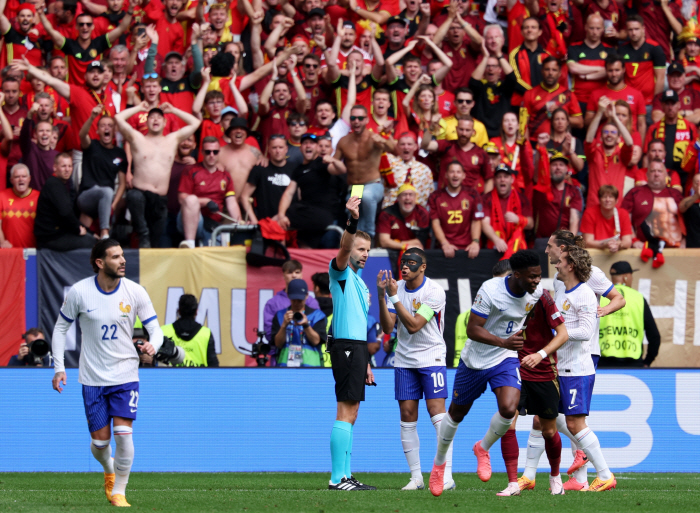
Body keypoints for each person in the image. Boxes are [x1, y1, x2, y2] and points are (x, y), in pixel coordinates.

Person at [51, 239, 165, 507]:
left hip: (126, 374)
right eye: (115, 257)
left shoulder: (135, 291)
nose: (123, 260)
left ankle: (119, 492)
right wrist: (58, 367)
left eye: (123, 255)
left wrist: (153, 344)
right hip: (92, 378)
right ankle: (109, 469)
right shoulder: (79, 292)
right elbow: (59, 330)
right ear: (100, 263)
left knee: (124, 435)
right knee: (100, 445)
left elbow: (156, 330)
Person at [428, 249, 542, 497]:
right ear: (517, 274)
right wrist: (503, 342)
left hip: (505, 359)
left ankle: (483, 447)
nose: (536, 281)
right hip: (475, 360)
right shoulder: (491, 290)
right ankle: (439, 464)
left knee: (509, 408)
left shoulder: (537, 294)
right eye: (532, 276)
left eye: (539, 276)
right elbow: (472, 329)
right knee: (456, 414)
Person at [544, 229, 625, 489]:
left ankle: (597, 470)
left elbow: (619, 299)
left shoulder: (591, 277)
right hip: (561, 350)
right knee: (557, 414)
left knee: (574, 418)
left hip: (584, 351)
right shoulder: (559, 279)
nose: (547, 251)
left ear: (564, 250)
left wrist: (601, 311)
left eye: (550, 247)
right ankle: (580, 477)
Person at [376, 248, 454, 491]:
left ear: (423, 267)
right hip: (404, 361)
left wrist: (395, 298)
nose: (405, 267)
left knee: (437, 413)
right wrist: (382, 297)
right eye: (403, 263)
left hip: (431, 358)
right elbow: (390, 326)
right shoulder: (395, 287)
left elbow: (413, 326)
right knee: (407, 415)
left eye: (412, 263)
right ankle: (416, 477)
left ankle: (445, 474)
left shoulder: (434, 291)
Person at [327, 196, 376, 491]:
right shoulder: (342, 274)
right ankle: (337, 478)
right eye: (361, 248)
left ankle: (345, 475)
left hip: (356, 348)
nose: (365, 254)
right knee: (345, 410)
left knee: (352, 411)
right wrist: (352, 220)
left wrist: (367, 361)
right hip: (345, 346)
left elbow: (358, 322)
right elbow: (343, 248)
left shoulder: (358, 281)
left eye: (368, 250)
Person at [114, 102, 201, 248]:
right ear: (146, 121)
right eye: (151, 117)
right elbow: (118, 118)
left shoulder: (172, 140)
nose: (155, 120)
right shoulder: (137, 138)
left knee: (154, 244)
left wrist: (174, 110)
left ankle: (147, 240)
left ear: (165, 122)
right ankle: (142, 232)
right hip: (140, 196)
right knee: (133, 197)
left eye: (159, 117)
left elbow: (196, 122)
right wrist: (139, 108)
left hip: (160, 199)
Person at [328, 105, 393, 238]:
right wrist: (328, 162)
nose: (356, 121)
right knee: (354, 212)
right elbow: (334, 165)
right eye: (353, 118)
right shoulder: (344, 141)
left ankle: (370, 234)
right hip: (355, 187)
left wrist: (386, 139)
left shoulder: (374, 138)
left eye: (360, 118)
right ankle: (358, 241)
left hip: (373, 184)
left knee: (367, 196)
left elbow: (395, 150)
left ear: (366, 120)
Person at [278, 133, 344, 248]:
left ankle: (279, 257)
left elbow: (341, 170)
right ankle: (282, 257)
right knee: (304, 245)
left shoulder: (322, 163)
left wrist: (334, 161)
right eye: (305, 143)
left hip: (324, 215)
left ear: (317, 148)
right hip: (306, 214)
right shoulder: (298, 170)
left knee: (278, 219)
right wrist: (281, 215)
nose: (308, 146)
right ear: (300, 148)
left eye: (312, 143)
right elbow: (288, 193)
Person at [177, 137, 241, 248]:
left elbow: (231, 202)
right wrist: (205, 202)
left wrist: (239, 222)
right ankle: (189, 244)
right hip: (191, 220)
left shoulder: (225, 175)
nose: (211, 155)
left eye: (215, 152)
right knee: (191, 199)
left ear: (219, 153)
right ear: (202, 152)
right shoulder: (191, 170)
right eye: (208, 152)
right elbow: (182, 198)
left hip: (214, 224)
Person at [622, 160, 684, 267]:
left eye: (660, 171)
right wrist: (633, 240)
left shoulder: (676, 194)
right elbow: (624, 218)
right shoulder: (635, 192)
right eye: (653, 171)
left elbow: (688, 220)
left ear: (665, 175)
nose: (656, 174)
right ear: (647, 175)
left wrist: (684, 242)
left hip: (675, 249)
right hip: (643, 249)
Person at [77, 107, 127, 240]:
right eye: (103, 125)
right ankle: (105, 233)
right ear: (97, 130)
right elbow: (82, 135)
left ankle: (102, 239)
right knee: (106, 191)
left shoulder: (119, 153)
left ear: (114, 130)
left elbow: (122, 183)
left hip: (106, 199)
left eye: (110, 125)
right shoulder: (91, 146)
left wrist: (114, 204)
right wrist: (92, 117)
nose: (106, 128)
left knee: (107, 193)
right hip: (86, 196)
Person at [598, 261, 660, 368]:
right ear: (626, 277)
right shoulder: (638, 298)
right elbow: (654, 336)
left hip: (603, 364)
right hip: (634, 365)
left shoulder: (601, 297)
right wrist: (647, 362)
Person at [34, 153, 97, 251]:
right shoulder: (53, 184)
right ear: (55, 167)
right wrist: (78, 229)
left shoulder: (60, 185)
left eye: (70, 166)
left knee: (91, 238)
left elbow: (69, 215)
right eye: (63, 166)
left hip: (57, 235)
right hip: (50, 239)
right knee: (92, 243)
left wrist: (89, 232)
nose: (67, 169)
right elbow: (66, 212)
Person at [584, 97, 634, 207]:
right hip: (594, 206)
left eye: (613, 132)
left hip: (615, 208)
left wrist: (614, 117)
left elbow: (630, 143)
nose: (609, 134)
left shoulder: (622, 155)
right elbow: (588, 140)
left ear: (618, 138)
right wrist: (600, 113)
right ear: (601, 137)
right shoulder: (593, 153)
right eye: (606, 132)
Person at [421, 117, 493, 193]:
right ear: (456, 129)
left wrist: (485, 201)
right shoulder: (446, 145)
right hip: (444, 199)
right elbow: (425, 145)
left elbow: (489, 179)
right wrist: (431, 129)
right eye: (461, 129)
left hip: (470, 201)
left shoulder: (481, 153)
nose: (464, 133)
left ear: (473, 132)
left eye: (467, 130)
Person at [428, 161, 483, 258]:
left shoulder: (473, 195)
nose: (455, 175)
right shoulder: (435, 197)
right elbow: (435, 223)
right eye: (452, 172)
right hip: (443, 249)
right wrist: (444, 243)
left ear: (463, 175)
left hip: (468, 248)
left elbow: (476, 221)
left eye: (458, 172)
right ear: (446, 175)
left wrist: (475, 241)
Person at [644, 89, 698, 188]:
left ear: (678, 105)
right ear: (662, 106)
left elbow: (696, 153)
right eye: (667, 104)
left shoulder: (690, 127)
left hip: (686, 176)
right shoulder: (654, 129)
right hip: (662, 176)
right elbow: (646, 155)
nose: (670, 107)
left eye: (673, 104)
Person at [521, 57, 583, 142]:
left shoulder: (568, 95)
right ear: (542, 71)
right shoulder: (529, 94)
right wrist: (527, 147)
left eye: (554, 70)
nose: (550, 73)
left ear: (559, 73)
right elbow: (523, 124)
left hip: (560, 145)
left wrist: (560, 114)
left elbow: (580, 123)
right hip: (535, 143)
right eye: (547, 69)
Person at [585, 53, 646, 139]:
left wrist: (640, 148)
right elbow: (587, 124)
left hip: (629, 143)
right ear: (606, 70)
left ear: (624, 69)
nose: (614, 74)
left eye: (617, 70)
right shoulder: (596, 94)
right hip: (604, 144)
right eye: (610, 70)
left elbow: (641, 125)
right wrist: (602, 114)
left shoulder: (637, 94)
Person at [240, 136, 297, 226]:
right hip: (267, 225)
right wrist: (255, 221)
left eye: (281, 147)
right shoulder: (260, 169)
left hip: (292, 224)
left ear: (286, 149)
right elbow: (244, 196)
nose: (278, 151)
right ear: (269, 149)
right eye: (274, 147)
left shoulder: (295, 169)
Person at [271, 278, 327, 367]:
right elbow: (278, 344)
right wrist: (284, 325)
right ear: (288, 295)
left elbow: (316, 341)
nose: (297, 303)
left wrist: (306, 325)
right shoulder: (280, 315)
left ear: (307, 295)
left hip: (311, 367)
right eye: (294, 300)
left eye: (300, 300)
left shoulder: (317, 316)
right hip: (285, 367)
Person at [262, 260, 320, 343]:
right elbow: (269, 334)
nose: (294, 275)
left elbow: (319, 330)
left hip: (307, 350)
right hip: (281, 351)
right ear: (283, 276)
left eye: (297, 272)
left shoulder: (311, 301)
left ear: (302, 275)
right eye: (289, 272)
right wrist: (284, 326)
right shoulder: (273, 303)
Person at [481, 164, 533, 258]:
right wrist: (496, 240)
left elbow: (531, 224)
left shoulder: (522, 199)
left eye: (506, 177)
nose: (502, 180)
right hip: (494, 248)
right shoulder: (486, 199)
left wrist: (518, 219)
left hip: (517, 248)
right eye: (499, 177)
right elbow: (484, 223)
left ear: (512, 180)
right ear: (494, 180)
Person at [619, 16, 666, 110]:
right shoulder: (621, 50)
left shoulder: (655, 48)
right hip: (628, 102)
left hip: (648, 103)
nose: (633, 33)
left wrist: (656, 103)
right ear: (627, 31)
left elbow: (660, 78)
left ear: (643, 29)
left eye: (636, 29)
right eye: (630, 30)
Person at [532, 153, 583, 239]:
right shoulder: (542, 187)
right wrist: (541, 148)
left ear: (567, 169)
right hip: (542, 240)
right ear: (549, 168)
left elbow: (574, 220)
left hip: (563, 242)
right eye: (554, 165)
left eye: (561, 165)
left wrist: (569, 243)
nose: (558, 167)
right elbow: (536, 173)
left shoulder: (574, 191)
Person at [161, 294, 220, 368]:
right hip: (200, 379)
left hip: (171, 378)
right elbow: (214, 366)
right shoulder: (206, 334)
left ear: (178, 311)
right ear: (196, 312)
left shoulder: (164, 331)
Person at [384, 132, 434, 208]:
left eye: (409, 144)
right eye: (402, 144)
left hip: (417, 214)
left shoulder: (424, 170)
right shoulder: (388, 162)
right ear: (397, 146)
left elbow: (430, 195)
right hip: (391, 212)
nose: (406, 147)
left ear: (415, 147)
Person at [218, 118, 263, 200]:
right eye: (235, 128)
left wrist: (265, 160)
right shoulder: (219, 153)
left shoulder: (255, 153)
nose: (238, 131)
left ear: (246, 133)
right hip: (225, 205)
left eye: (242, 129)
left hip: (249, 205)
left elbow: (265, 168)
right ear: (229, 133)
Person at [376, 183, 430, 250]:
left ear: (415, 198)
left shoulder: (422, 213)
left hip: (414, 252)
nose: (407, 197)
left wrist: (395, 243)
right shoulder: (386, 214)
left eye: (411, 195)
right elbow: (384, 242)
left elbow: (420, 241)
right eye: (404, 195)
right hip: (389, 251)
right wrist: (405, 246)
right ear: (398, 198)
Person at [581, 185, 633, 252]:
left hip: (616, 252)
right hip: (595, 253)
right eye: (604, 197)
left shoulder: (623, 214)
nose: (607, 200)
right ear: (599, 200)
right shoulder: (589, 213)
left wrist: (618, 244)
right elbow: (587, 242)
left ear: (616, 200)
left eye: (611, 197)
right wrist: (605, 245)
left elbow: (628, 242)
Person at [0, 164, 40, 248]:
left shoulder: (39, 197)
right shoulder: (2, 196)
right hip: (9, 252)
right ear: (11, 180)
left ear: (29, 179)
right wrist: (2, 242)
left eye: (24, 176)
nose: (21, 179)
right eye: (17, 177)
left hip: (32, 252)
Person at [680, 173, 700, 248]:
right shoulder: (690, 201)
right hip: (694, 245)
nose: (699, 185)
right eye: (697, 183)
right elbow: (681, 208)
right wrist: (697, 195)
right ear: (693, 186)